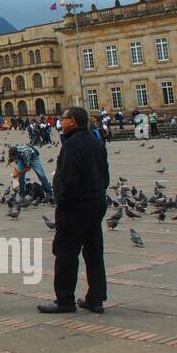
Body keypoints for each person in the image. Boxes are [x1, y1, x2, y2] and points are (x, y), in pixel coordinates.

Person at [39, 107, 110, 314]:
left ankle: (65, 300)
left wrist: (62, 199)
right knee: (94, 252)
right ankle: (96, 299)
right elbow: (105, 175)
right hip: (96, 203)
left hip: (75, 206)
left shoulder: (72, 145)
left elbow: (68, 179)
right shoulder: (97, 142)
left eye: (64, 119)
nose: (62, 121)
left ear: (73, 121)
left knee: (65, 252)